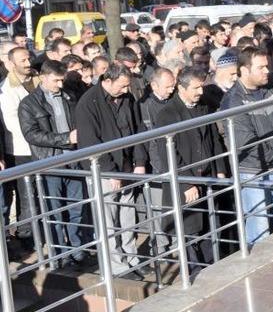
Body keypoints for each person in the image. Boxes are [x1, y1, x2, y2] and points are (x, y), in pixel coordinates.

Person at [75, 63, 149, 277]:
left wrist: (139, 161)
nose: (126, 91)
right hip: (104, 170)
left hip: (126, 166)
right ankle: (117, 265)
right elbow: (90, 141)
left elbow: (137, 131)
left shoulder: (127, 98)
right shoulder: (88, 103)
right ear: (107, 81)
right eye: (123, 86)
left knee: (127, 216)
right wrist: (109, 170)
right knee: (108, 220)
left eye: (128, 86)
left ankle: (131, 257)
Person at [220, 47, 273, 244]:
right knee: (259, 230)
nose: (267, 71)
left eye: (267, 67)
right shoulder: (232, 101)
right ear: (244, 70)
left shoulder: (269, 91)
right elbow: (246, 142)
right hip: (252, 171)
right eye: (261, 67)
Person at [18, 60, 90, 267]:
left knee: (76, 210)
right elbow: (31, 134)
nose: (60, 85)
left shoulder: (69, 97)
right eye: (56, 80)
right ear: (43, 77)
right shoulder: (29, 103)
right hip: (49, 163)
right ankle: (60, 255)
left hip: (72, 160)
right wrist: (66, 139)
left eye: (62, 80)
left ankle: (77, 251)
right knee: (54, 212)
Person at [154, 67, 224, 272]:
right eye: (196, 88)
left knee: (210, 225)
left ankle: (211, 268)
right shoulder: (166, 115)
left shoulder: (203, 107)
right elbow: (168, 153)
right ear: (181, 88)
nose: (200, 92)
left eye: (201, 87)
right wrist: (186, 182)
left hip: (207, 177)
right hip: (186, 183)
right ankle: (194, 272)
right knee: (190, 230)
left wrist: (220, 168)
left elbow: (213, 139)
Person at [0, 47, 37, 242]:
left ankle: (30, 232)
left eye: (28, 58)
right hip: (18, 149)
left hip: (35, 147)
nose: (28, 63)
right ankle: (25, 235)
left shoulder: (34, 82)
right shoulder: (6, 90)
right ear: (12, 64)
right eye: (23, 60)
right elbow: (12, 123)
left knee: (32, 193)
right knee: (24, 194)